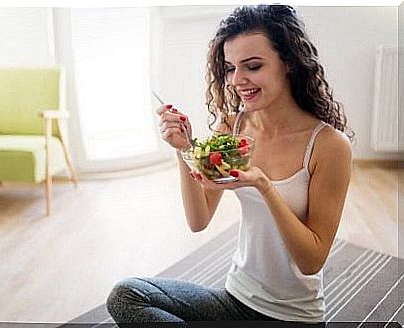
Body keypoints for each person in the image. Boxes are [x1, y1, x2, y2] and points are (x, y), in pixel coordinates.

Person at [106, 4, 353, 326]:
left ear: (289, 63)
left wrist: (263, 185)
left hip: (292, 317)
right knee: (126, 295)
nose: (238, 80)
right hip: (235, 298)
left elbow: (311, 260)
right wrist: (184, 150)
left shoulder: (329, 145)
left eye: (252, 66)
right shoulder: (232, 128)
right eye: (229, 68)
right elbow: (199, 220)